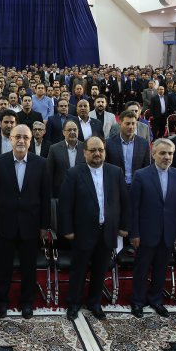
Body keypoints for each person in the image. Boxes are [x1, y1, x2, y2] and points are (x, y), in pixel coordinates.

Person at [59, 135, 129, 321]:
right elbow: (65, 205)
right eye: (93, 150)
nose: (97, 153)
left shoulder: (116, 172)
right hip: (82, 231)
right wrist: (68, 229)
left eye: (100, 150)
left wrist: (123, 226)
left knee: (100, 270)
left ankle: (94, 302)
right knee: (79, 270)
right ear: (85, 153)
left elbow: (124, 201)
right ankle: (74, 303)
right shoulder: (74, 173)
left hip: (107, 231)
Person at [0, 125, 50, 319]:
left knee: (29, 267)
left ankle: (27, 302)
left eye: (25, 137)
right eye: (18, 137)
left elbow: (45, 197)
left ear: (30, 141)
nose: (21, 141)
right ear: (11, 139)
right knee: (3, 267)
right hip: (4, 224)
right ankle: (1, 301)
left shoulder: (41, 163)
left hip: (31, 225)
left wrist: (44, 225)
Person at [128, 138, 176, 318]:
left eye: (170, 153)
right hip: (146, 232)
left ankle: (155, 299)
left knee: (161, 269)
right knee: (142, 269)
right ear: (153, 154)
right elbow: (133, 207)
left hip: (169, 232)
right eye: (162, 153)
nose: (166, 157)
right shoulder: (141, 175)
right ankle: (138, 301)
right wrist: (134, 233)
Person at [105, 110, 151, 188]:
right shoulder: (109, 143)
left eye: (133, 123)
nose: (131, 127)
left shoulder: (143, 143)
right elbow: (106, 167)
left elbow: (147, 166)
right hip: (116, 185)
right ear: (120, 124)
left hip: (137, 185)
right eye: (127, 124)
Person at [46, 120, 85, 195]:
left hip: (82, 193)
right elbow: (49, 174)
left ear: (78, 131)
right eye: (69, 130)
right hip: (60, 194)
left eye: (75, 130)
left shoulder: (85, 148)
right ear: (63, 132)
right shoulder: (54, 149)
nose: (72, 132)